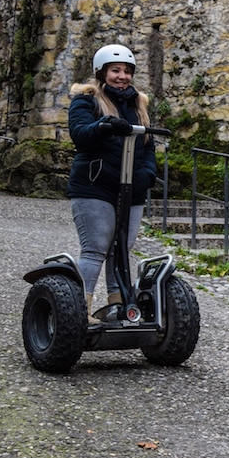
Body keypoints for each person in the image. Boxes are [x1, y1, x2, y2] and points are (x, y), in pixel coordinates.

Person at [66, 43, 157, 323]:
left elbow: (148, 145)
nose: (122, 76)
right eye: (116, 70)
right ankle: (80, 309)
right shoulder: (87, 99)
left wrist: (148, 174)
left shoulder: (138, 105)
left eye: (127, 71)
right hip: (95, 185)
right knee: (96, 248)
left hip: (132, 187)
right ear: (102, 72)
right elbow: (79, 133)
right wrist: (104, 125)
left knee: (121, 250)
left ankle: (119, 305)